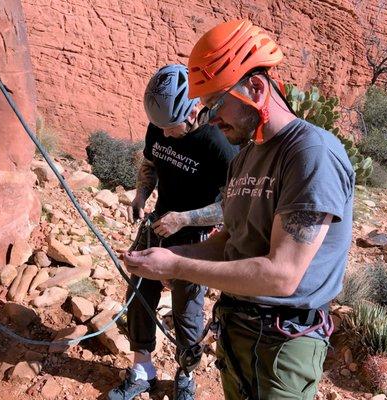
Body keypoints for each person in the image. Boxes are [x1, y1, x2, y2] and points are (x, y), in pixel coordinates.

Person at [122, 20, 355, 400]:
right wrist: (167, 255)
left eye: (215, 104)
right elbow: (230, 241)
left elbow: (282, 276)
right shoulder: (246, 157)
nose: (210, 118)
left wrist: (177, 266)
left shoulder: (310, 155)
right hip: (238, 334)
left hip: (284, 346)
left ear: (257, 88)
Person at [108, 64, 238, 400]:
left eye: (172, 127)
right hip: (157, 226)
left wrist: (184, 219)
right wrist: (141, 194)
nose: (164, 133)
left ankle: (186, 375)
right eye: (160, 127)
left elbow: (232, 206)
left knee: (187, 311)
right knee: (138, 294)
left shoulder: (219, 143)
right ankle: (142, 369)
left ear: (195, 108)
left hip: (195, 236)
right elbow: (151, 162)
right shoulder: (160, 125)